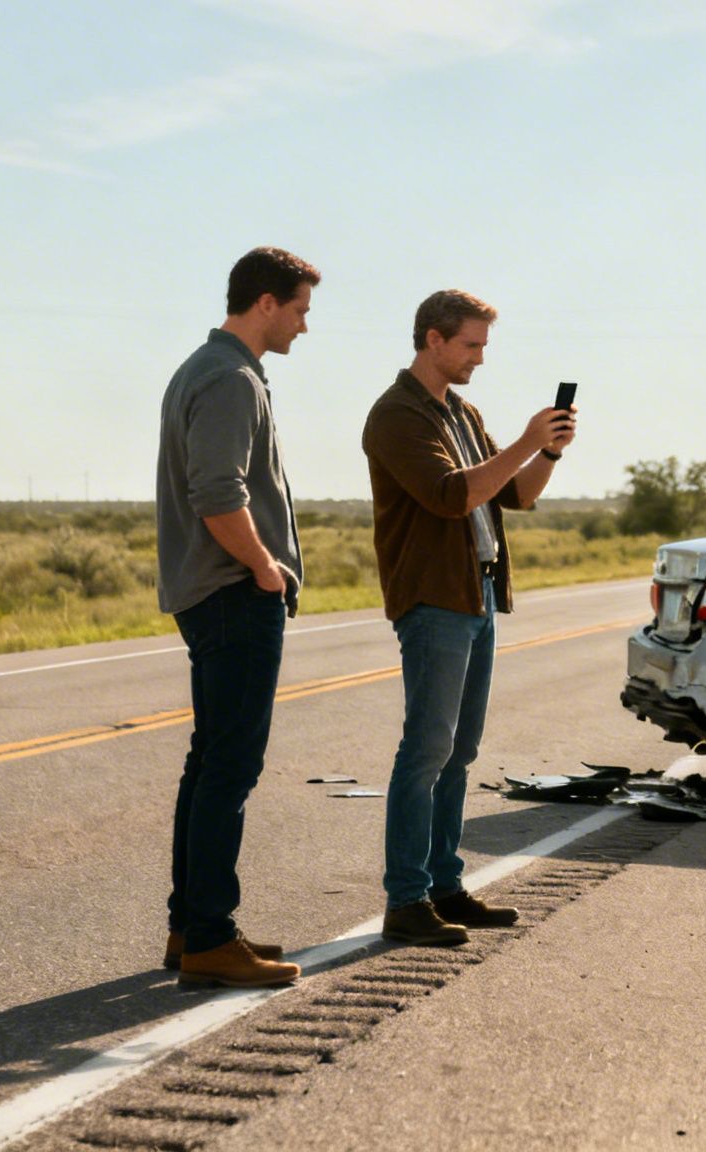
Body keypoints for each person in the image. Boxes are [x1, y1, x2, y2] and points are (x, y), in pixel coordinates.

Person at [361, 289, 576, 946]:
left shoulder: (462, 412)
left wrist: (548, 452)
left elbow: (514, 494)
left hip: (477, 595)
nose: (480, 358)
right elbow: (453, 496)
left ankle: (446, 887)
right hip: (432, 600)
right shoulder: (396, 415)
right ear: (433, 340)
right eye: (471, 345)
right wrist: (521, 440)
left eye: (483, 346)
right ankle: (406, 901)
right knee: (426, 750)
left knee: (460, 752)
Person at [154, 246, 319, 988]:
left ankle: (191, 928)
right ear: (264, 303)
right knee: (230, 768)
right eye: (299, 310)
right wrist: (263, 566)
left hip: (209, 593)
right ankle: (213, 937)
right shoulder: (230, 377)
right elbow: (217, 491)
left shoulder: (207, 368)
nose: (303, 326)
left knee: (208, 762)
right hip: (232, 593)